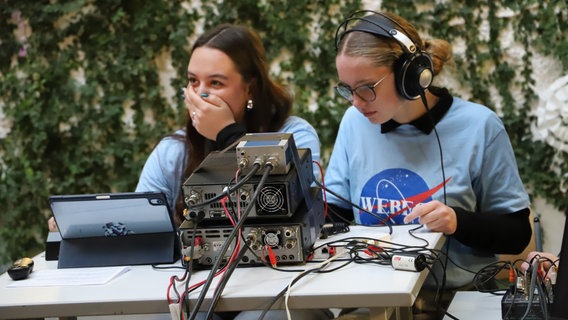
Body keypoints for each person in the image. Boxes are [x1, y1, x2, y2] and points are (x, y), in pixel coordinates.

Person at [325, 10, 532, 318]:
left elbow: (516, 233)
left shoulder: (480, 126)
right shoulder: (354, 123)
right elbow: (332, 218)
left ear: (411, 75)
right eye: (347, 89)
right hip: (372, 297)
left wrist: (456, 221)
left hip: (457, 298)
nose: (356, 102)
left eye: (366, 88)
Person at [136, 24, 330, 320]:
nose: (201, 94)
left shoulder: (294, 135)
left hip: (280, 288)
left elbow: (301, 208)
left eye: (215, 83)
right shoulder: (172, 151)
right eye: (193, 81)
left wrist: (228, 135)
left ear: (249, 87)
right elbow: (144, 228)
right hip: (203, 289)